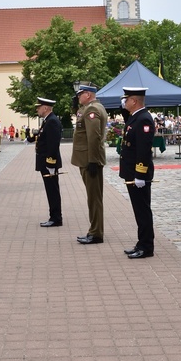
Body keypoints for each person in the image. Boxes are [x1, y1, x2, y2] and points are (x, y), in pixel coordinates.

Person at [118, 88, 155, 259]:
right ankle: (141, 243)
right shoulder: (135, 117)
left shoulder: (144, 119)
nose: (124, 102)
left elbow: (143, 150)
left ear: (134, 101)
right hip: (131, 171)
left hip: (138, 172)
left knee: (142, 211)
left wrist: (140, 173)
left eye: (126, 99)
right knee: (138, 211)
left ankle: (146, 247)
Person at [71, 83, 108, 244]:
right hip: (87, 159)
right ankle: (95, 230)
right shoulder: (92, 108)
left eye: (80, 94)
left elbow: (93, 137)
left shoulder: (92, 110)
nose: (78, 97)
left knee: (94, 198)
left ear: (88, 94)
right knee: (94, 197)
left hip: (89, 159)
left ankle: (96, 233)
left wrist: (92, 160)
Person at [26, 97, 62, 227]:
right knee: (50, 190)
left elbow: (53, 145)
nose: (37, 109)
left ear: (45, 108)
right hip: (46, 162)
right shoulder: (48, 121)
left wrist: (50, 163)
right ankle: (54, 216)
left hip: (49, 163)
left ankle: (56, 218)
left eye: (39, 107)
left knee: (52, 190)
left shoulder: (52, 121)